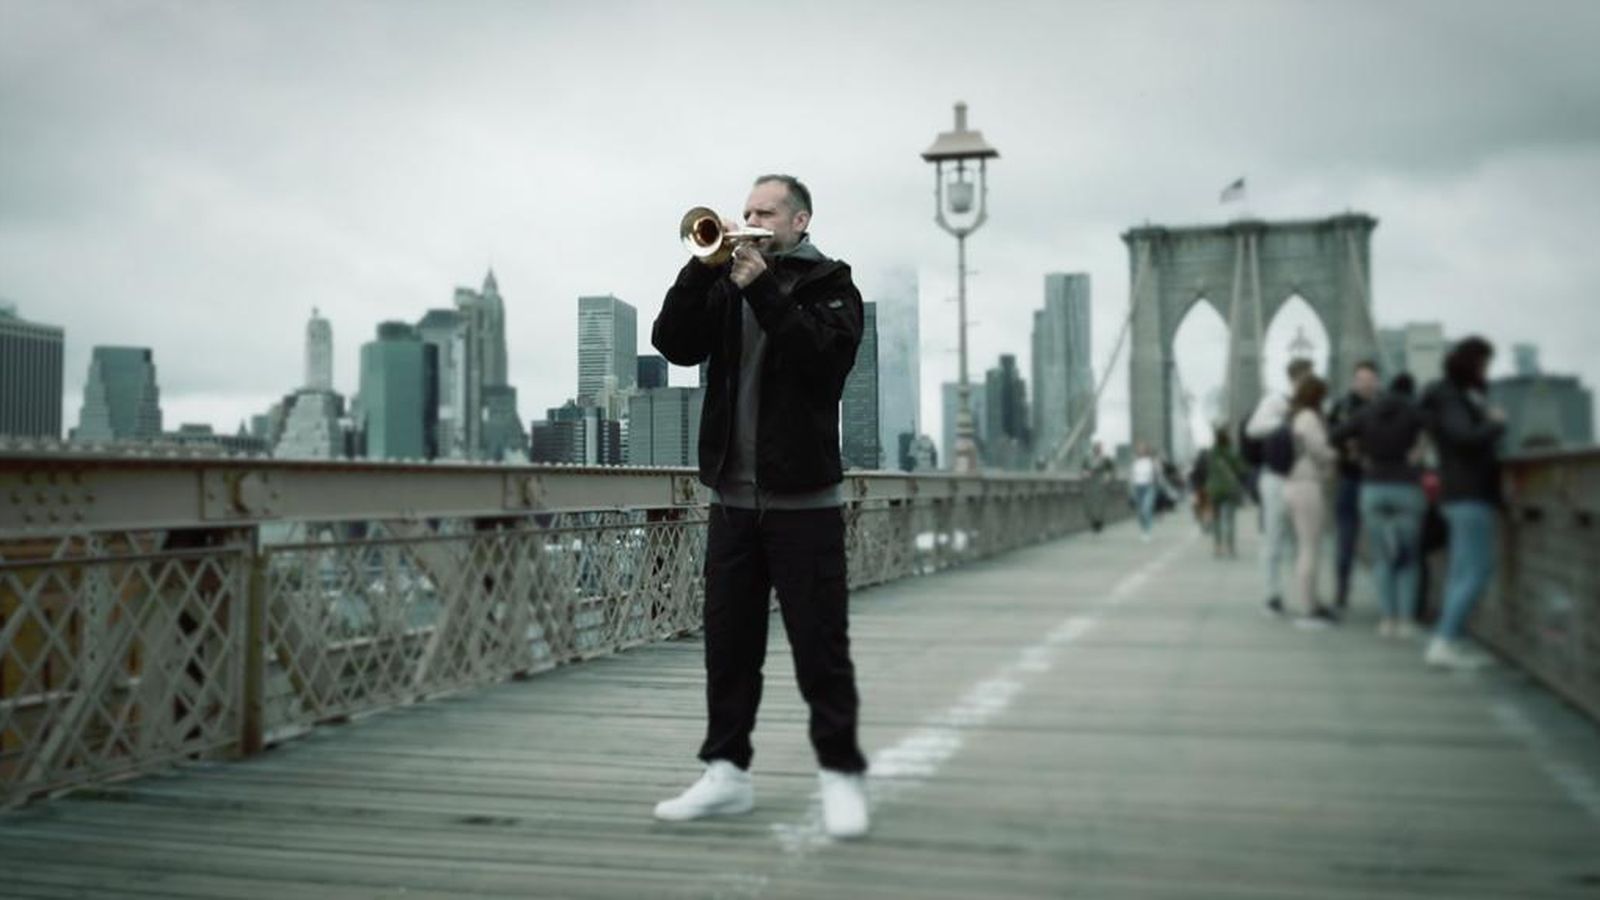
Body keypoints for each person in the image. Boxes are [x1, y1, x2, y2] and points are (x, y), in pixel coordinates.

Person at [649, 174, 871, 838]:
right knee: (729, 646)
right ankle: (726, 773)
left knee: (820, 647)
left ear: (799, 221)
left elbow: (821, 363)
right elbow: (672, 344)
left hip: (806, 501)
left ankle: (840, 774)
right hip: (733, 501)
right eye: (744, 210)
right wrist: (701, 268)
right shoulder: (724, 281)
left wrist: (764, 288)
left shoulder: (832, 285)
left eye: (764, 212)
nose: (749, 220)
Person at [1419, 336, 1506, 669]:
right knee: (1477, 570)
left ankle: (1445, 638)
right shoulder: (1451, 397)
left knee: (1460, 572)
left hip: (1456, 492)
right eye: (1485, 363)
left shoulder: (1449, 395)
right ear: (1474, 362)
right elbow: (1463, 437)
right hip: (1469, 493)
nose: (1487, 370)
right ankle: (1444, 641)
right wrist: (1495, 424)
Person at [1331, 372, 1427, 638]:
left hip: (1372, 486)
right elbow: (1439, 429)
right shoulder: (1413, 412)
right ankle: (1406, 620)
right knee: (1408, 557)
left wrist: (1357, 452)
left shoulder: (1367, 413)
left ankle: (1387, 619)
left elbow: (1334, 435)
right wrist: (1418, 450)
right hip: (1406, 485)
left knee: (1381, 556)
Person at [1245, 358, 1316, 615]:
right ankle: (1272, 595)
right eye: (1305, 377)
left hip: (1304, 479)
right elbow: (1253, 429)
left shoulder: (1315, 406)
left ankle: (1304, 597)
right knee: (1273, 538)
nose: (1309, 381)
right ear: (1294, 378)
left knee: (1303, 542)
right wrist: (1286, 423)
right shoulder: (1276, 401)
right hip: (1276, 478)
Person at [1282, 375, 1339, 627]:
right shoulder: (1308, 418)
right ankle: (1308, 609)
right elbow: (1318, 449)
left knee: (1306, 547)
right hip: (1306, 484)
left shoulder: (1295, 416)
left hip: (1293, 483)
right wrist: (1336, 454)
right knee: (1309, 548)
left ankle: (1311, 602)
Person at [1327, 360, 1382, 611]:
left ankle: (1386, 597)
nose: (1366, 384)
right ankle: (1341, 591)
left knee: (1382, 541)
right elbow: (1329, 436)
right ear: (1354, 381)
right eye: (1361, 379)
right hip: (1350, 479)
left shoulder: (1384, 406)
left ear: (1377, 381)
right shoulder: (1341, 407)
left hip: (1377, 481)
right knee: (1345, 540)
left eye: (1370, 380)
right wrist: (1346, 448)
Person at [1205, 428, 1247, 558]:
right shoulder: (1232, 452)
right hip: (1229, 489)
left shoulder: (1211, 454)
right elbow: (1241, 469)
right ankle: (1230, 548)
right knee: (1230, 519)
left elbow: (1207, 470)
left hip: (1214, 490)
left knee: (1216, 519)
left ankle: (1218, 548)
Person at [1082, 441, 1116, 533]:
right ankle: (1093, 521)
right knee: (1090, 504)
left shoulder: (1106, 459)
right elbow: (1083, 469)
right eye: (1095, 448)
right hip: (1090, 484)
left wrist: (1108, 478)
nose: (1097, 450)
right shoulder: (1087, 459)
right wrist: (1086, 473)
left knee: (1100, 504)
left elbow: (1111, 470)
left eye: (1099, 448)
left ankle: (1099, 522)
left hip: (1101, 484)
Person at [1130, 442, 1159, 540]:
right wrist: (1131, 488)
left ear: (1146, 450)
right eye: (1139, 449)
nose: (1141, 451)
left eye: (1143, 449)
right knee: (1140, 512)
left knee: (1146, 509)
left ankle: (1147, 531)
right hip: (1138, 487)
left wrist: (1154, 481)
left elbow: (1157, 474)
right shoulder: (1135, 462)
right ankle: (1143, 529)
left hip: (1148, 487)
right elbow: (1132, 476)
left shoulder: (1151, 461)